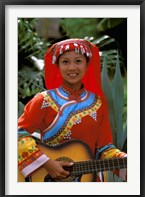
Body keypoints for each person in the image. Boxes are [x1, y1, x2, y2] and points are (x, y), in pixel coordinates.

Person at [18, 38, 127, 182]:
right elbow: (17, 134)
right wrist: (47, 163)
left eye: (78, 61)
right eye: (65, 62)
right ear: (57, 65)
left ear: (87, 64)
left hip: (89, 179)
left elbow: (104, 149)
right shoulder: (43, 100)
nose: (72, 68)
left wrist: (125, 160)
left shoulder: (98, 103)